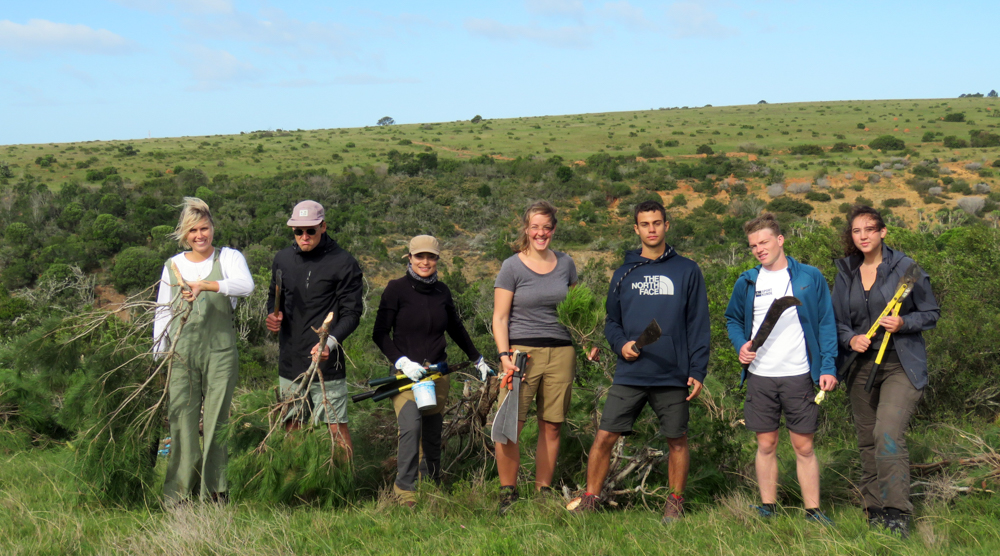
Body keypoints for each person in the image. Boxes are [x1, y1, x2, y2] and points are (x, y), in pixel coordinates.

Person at [569, 200, 709, 522]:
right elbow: (611, 322)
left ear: (666, 225)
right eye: (645, 224)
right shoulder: (623, 273)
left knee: (677, 439)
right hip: (631, 370)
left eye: (657, 223)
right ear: (636, 228)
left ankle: (674, 502)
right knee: (605, 436)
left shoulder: (687, 270)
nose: (651, 229)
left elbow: (698, 324)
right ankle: (591, 497)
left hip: (672, 372)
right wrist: (622, 345)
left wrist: (698, 370)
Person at [724, 213, 838, 525]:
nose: (759, 249)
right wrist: (741, 346)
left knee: (804, 446)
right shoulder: (747, 281)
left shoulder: (809, 277)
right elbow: (732, 319)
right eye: (752, 245)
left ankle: (813, 510)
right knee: (766, 443)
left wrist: (827, 366)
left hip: (799, 374)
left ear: (779, 240)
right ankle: (767, 506)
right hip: (760, 376)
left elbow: (827, 322)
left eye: (763, 242)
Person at [833, 205, 938, 538]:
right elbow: (835, 322)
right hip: (861, 367)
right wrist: (851, 338)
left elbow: (931, 312)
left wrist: (904, 322)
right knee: (867, 441)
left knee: (887, 434)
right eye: (856, 231)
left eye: (869, 229)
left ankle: (898, 512)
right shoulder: (845, 271)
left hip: (900, 364)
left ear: (882, 232)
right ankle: (873, 509)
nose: (863, 236)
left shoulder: (906, 268)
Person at [372, 235, 493, 507]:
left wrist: (477, 358)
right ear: (410, 258)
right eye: (419, 256)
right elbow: (379, 333)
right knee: (411, 428)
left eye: (431, 257)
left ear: (437, 259)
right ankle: (405, 491)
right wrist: (402, 362)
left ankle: (433, 484)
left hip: (438, 374)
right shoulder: (396, 289)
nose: (425, 262)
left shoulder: (443, 291)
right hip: (405, 377)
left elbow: (455, 328)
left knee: (432, 432)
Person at [154, 197, 255, 503]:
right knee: (181, 419)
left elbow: (246, 286)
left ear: (213, 228)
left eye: (205, 228)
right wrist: (158, 354)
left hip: (220, 352)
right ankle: (179, 492)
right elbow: (162, 311)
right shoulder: (173, 265)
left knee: (217, 420)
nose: (200, 235)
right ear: (185, 234)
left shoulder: (229, 258)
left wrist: (207, 285)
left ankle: (215, 490)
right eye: (194, 230)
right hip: (182, 351)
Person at [492, 200, 578, 514]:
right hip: (521, 353)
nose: (541, 233)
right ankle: (508, 492)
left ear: (553, 229)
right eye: (535, 227)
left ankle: (543, 492)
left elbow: (575, 311)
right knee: (509, 422)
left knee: (552, 424)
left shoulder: (567, 263)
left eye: (546, 227)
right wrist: (504, 356)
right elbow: (500, 318)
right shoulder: (511, 266)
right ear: (526, 230)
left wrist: (588, 339)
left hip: (561, 352)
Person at [265, 200, 364, 456]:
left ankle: (342, 490)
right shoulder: (283, 259)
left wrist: (329, 343)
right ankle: (296, 488)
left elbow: (352, 314)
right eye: (298, 231)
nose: (304, 236)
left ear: (323, 226)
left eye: (310, 230)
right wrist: (271, 316)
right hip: (291, 359)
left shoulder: (344, 262)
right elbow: (272, 296)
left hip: (327, 363)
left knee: (335, 428)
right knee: (292, 427)